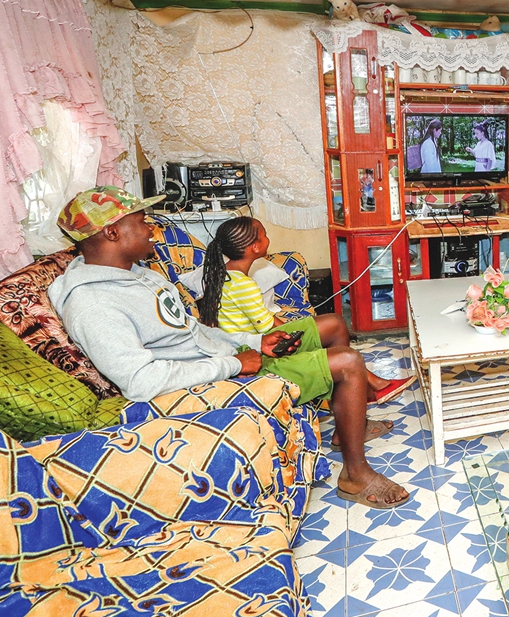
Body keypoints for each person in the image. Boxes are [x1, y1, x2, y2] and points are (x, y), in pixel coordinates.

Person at [48, 187, 410, 509]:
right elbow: (141, 381)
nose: (150, 228)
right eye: (141, 221)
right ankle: (355, 475)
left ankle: (349, 424)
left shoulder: (137, 274)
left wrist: (254, 342)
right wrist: (236, 364)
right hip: (206, 383)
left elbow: (195, 333)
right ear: (112, 232)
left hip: (224, 358)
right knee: (347, 361)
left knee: (331, 328)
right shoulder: (93, 305)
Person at [197, 215, 411, 405]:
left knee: (334, 322)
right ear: (254, 247)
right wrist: (294, 335)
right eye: (264, 235)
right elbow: (269, 326)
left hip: (248, 342)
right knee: (317, 336)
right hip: (255, 351)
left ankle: (364, 388)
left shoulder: (221, 275)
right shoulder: (243, 284)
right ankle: (367, 387)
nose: (267, 239)